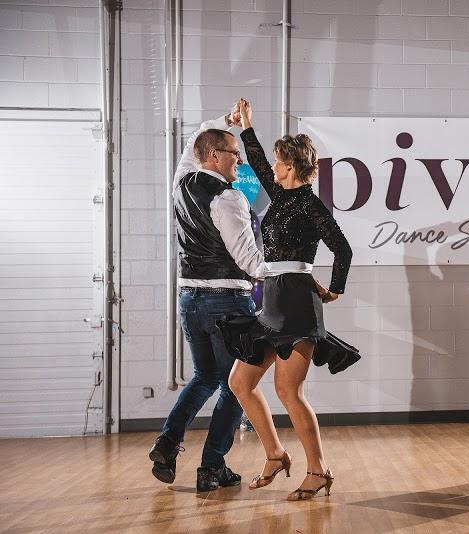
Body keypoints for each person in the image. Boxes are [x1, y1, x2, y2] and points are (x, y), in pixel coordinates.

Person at [222, 98, 355, 501]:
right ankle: (276, 455)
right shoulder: (280, 196)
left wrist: (334, 290)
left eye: (280, 163)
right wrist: (247, 126)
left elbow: (343, 249)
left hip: (297, 304)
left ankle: (318, 470)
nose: (273, 168)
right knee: (240, 382)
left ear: (293, 167)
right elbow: (258, 160)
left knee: (288, 391)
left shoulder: (312, 206)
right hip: (272, 299)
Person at [148, 104, 270, 492]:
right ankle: (212, 466)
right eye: (234, 154)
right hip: (228, 303)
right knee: (236, 385)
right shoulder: (229, 198)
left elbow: (194, 142)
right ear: (214, 156)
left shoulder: (181, 182)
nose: (239, 161)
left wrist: (226, 121)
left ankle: (167, 442)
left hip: (190, 300)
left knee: (205, 376)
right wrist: (290, 271)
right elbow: (249, 260)